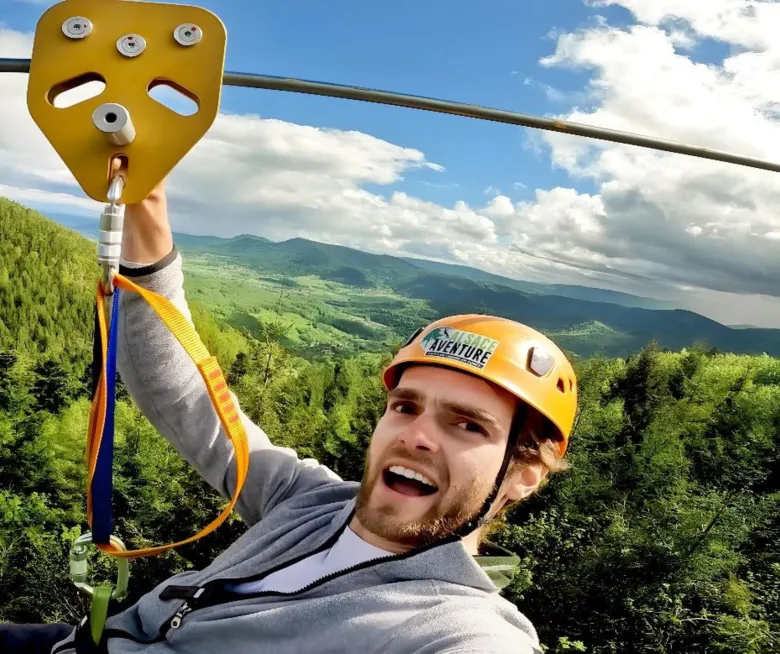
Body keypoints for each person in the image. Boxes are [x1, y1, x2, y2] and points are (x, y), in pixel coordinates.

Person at [8, 175, 578, 653]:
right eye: (405, 406)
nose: (418, 436)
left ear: (526, 472)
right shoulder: (312, 500)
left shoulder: (455, 630)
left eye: (468, 424)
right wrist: (146, 200)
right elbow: (185, 401)